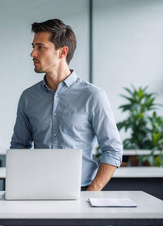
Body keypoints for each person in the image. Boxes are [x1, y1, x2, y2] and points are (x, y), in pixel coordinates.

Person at [10, 19, 123, 191]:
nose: (33, 53)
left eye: (40, 47)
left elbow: (113, 149)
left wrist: (91, 193)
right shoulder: (28, 97)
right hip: (38, 191)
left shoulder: (93, 96)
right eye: (33, 46)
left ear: (62, 52)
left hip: (82, 190)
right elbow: (19, 147)